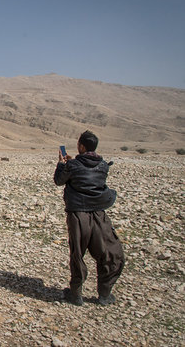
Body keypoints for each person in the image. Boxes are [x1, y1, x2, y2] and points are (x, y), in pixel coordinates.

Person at [53, 130, 124, 306]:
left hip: (78, 214)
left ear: (82, 146)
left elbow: (59, 181)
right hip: (99, 214)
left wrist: (62, 164)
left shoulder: (72, 165)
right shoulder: (103, 166)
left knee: (77, 253)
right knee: (109, 252)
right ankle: (105, 294)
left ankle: (76, 294)